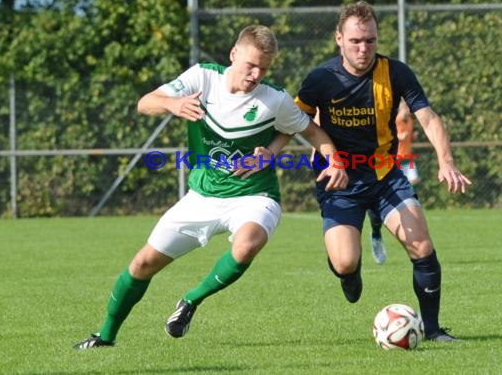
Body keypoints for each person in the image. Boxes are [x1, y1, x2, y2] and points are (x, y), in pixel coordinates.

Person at [74, 25, 348, 349]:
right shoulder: (203, 77)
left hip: (253, 196)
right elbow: (145, 102)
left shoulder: (274, 99)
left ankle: (190, 300)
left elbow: (312, 133)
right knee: (142, 264)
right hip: (201, 196)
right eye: (250, 65)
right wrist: (172, 105)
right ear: (234, 55)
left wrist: (333, 161)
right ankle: (105, 336)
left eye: (264, 68)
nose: (255, 74)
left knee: (248, 243)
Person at [294, 1, 471, 341]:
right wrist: (267, 152)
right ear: (339, 39)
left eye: (371, 41)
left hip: (385, 177)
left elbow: (429, 118)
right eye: (356, 41)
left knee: (421, 245)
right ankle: (350, 272)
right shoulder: (321, 79)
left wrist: (446, 160)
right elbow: (294, 120)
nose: (364, 48)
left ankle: (433, 330)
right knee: (344, 262)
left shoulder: (396, 73)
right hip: (339, 182)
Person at [368, 99, 420, 264]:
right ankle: (376, 232)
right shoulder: (394, 119)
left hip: (407, 160)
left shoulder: (410, 120)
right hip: (390, 162)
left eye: (407, 106)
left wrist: (410, 136)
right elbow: (388, 136)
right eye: (404, 106)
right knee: (373, 210)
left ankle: (406, 211)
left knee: (413, 183)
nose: (406, 109)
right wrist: (399, 136)